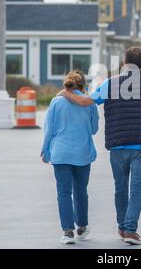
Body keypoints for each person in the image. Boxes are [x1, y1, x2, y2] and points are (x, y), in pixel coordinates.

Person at [58, 46, 141, 245]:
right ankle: (130, 230)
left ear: (124, 63)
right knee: (137, 189)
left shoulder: (109, 84)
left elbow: (85, 101)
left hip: (117, 145)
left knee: (120, 188)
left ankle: (123, 228)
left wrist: (65, 92)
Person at [41, 70, 99, 244]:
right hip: (83, 153)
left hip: (60, 153)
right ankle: (81, 226)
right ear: (83, 86)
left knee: (63, 193)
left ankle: (68, 232)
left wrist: (45, 150)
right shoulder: (89, 103)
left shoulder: (56, 102)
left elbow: (49, 129)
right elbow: (94, 129)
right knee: (81, 191)